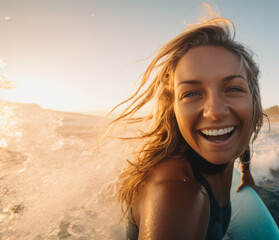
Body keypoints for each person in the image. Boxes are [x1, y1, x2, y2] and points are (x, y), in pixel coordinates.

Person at [108, 15, 264, 240]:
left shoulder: (228, 135)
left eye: (233, 89)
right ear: (173, 109)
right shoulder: (177, 194)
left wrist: (246, 174)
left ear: (253, 102)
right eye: (191, 93)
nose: (216, 111)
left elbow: (242, 134)